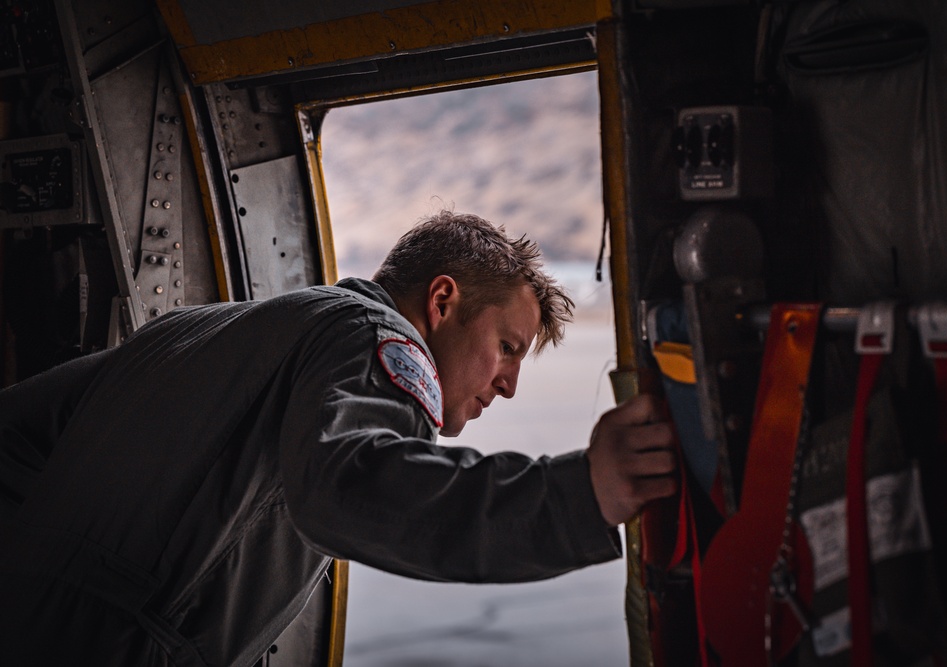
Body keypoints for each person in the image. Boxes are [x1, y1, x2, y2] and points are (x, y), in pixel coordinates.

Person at [0, 210, 677, 666]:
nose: (509, 386)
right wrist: (576, 495)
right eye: (506, 347)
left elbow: (14, 434)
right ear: (442, 303)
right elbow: (344, 489)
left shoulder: (197, 329)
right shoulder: (377, 337)